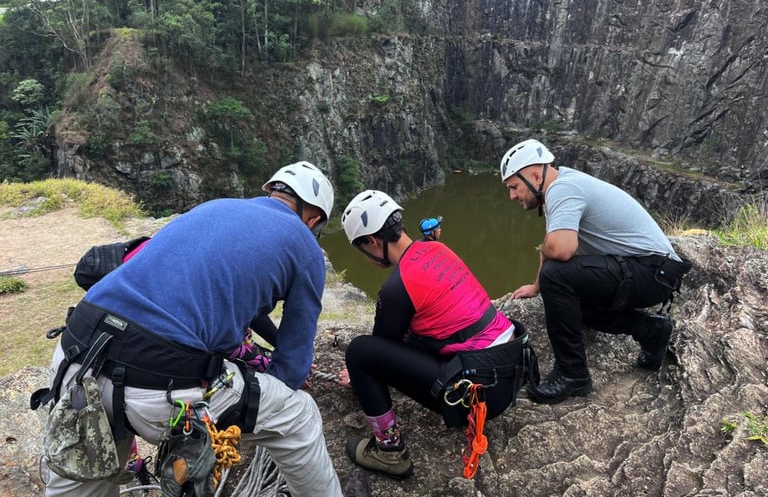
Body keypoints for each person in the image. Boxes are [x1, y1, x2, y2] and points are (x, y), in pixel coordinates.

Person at [35, 161, 344, 496]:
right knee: (299, 415)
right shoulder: (306, 247)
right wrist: (272, 378)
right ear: (314, 219)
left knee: (86, 477)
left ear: (270, 191)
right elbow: (293, 370)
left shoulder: (214, 208)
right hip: (160, 385)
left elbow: (229, 290)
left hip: (77, 353)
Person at [338, 190, 537, 479]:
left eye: (362, 248)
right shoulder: (437, 249)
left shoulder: (397, 287)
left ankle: (390, 452)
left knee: (359, 352)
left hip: (480, 393)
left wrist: (357, 375)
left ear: (372, 241)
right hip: (509, 371)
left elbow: (379, 349)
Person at [500, 139, 691, 404]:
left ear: (534, 175)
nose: (512, 196)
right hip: (653, 273)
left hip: (651, 272)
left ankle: (572, 374)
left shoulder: (562, 189)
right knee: (568, 303)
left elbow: (562, 250)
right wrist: (537, 287)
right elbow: (554, 250)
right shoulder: (563, 184)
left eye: (514, 187)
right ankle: (650, 330)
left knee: (556, 275)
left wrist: (545, 273)